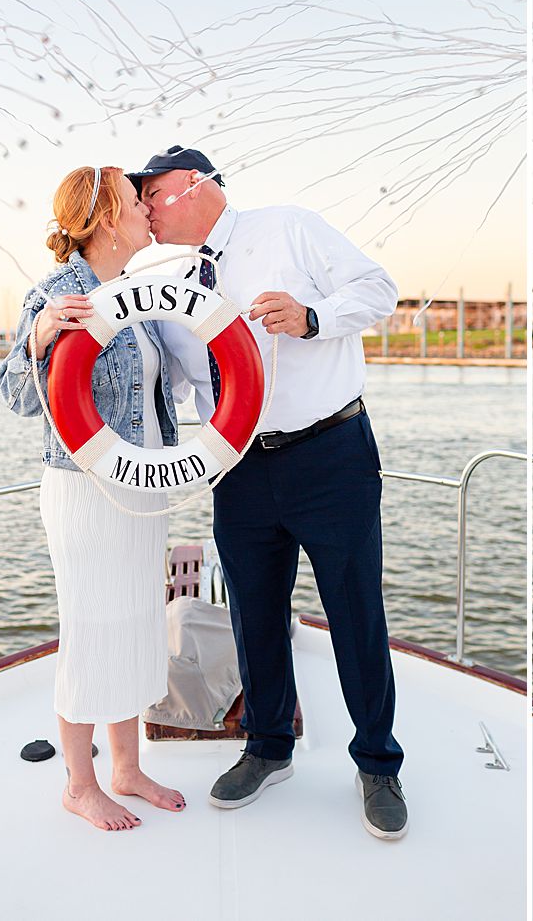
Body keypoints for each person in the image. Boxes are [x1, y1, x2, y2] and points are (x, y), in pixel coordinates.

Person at [129, 145, 408, 839]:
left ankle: (377, 761)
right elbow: (184, 391)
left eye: (151, 193)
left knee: (355, 613)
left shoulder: (288, 228)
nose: (145, 209)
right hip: (241, 470)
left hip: (330, 454)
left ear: (193, 186)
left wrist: (311, 316)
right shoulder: (174, 292)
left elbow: (379, 289)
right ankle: (267, 746)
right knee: (254, 614)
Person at [0, 165, 198, 831]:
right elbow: (16, 393)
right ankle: (80, 784)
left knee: (138, 620)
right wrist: (43, 333)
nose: (148, 208)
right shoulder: (57, 292)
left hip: (140, 488)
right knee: (90, 625)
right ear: (109, 218)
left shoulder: (138, 294)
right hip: (84, 491)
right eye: (135, 202)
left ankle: (126, 766)